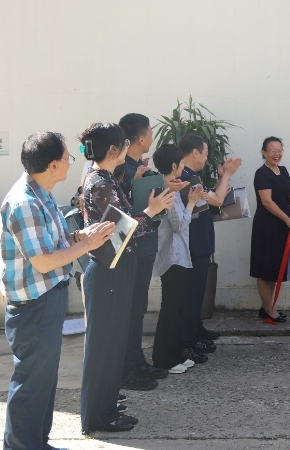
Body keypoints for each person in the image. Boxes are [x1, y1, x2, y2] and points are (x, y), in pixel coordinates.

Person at [0, 132, 114, 450]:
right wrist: (86, 246)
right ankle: (20, 446)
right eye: (67, 158)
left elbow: (54, 244)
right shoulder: (25, 203)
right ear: (52, 165)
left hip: (47, 298)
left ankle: (37, 442)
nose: (70, 163)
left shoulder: (42, 194)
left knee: (44, 380)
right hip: (34, 305)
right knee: (31, 382)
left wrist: (81, 236)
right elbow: (44, 261)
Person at [79, 122, 174, 434]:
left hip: (117, 267)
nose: (128, 148)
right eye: (123, 144)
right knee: (103, 347)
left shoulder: (106, 178)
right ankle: (97, 416)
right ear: (113, 150)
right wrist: (151, 210)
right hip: (108, 270)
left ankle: (106, 406)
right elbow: (122, 231)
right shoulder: (99, 182)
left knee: (113, 343)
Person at [118, 113, 175, 389]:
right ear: (141, 138)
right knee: (130, 310)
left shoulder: (136, 166)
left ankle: (137, 361)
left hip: (145, 244)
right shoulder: (121, 169)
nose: (152, 137)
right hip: (133, 248)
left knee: (139, 308)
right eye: (151, 132)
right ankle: (127, 369)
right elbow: (121, 211)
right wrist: (133, 182)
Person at [180, 133, 241, 360]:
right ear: (195, 152)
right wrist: (227, 176)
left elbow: (211, 197)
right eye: (205, 154)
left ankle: (195, 330)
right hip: (194, 246)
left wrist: (222, 179)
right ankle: (188, 341)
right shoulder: (186, 178)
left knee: (196, 293)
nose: (207, 158)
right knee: (192, 295)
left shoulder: (191, 176)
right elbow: (216, 200)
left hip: (200, 243)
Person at [151, 144, 203, 374]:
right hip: (172, 256)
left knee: (176, 308)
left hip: (178, 255)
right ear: (174, 166)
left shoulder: (170, 188)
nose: (183, 166)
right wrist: (191, 202)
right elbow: (178, 224)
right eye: (181, 163)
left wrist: (191, 202)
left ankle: (175, 355)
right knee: (170, 310)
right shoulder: (168, 192)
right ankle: (164, 359)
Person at [250, 137, 290, 323]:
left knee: (274, 268)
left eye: (280, 150)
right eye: (272, 150)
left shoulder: (284, 171)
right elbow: (267, 202)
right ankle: (268, 309)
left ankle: (268, 306)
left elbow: (287, 197)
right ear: (264, 152)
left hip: (282, 226)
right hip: (266, 227)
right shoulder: (261, 173)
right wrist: (287, 219)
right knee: (263, 268)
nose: (277, 154)